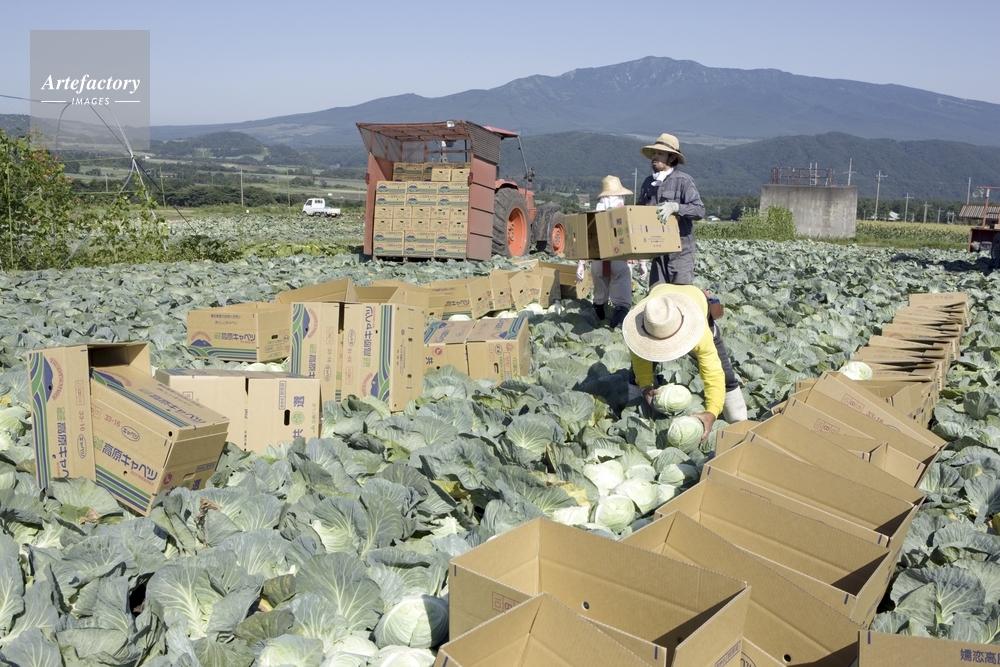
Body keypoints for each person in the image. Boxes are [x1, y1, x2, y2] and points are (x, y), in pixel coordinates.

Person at [622, 284, 748, 441]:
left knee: (725, 375)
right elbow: (641, 364)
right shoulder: (641, 325)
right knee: (636, 375)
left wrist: (712, 412)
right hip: (659, 296)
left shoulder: (700, 332)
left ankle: (740, 425)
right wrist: (645, 388)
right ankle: (637, 421)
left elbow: (714, 373)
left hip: (695, 302)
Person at [636, 133, 705, 286]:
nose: (655, 157)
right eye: (654, 153)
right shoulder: (648, 183)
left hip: (681, 251)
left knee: (679, 292)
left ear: (672, 157)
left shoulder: (683, 181)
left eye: (660, 153)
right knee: (657, 294)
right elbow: (638, 213)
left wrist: (676, 207)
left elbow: (699, 210)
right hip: (657, 249)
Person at [575, 175, 638, 328]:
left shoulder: (593, 214)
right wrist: (642, 262)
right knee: (622, 302)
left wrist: (581, 264)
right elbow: (636, 238)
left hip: (598, 262)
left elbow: (584, 240)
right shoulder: (624, 213)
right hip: (619, 261)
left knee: (599, 299)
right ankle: (617, 328)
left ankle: (595, 325)